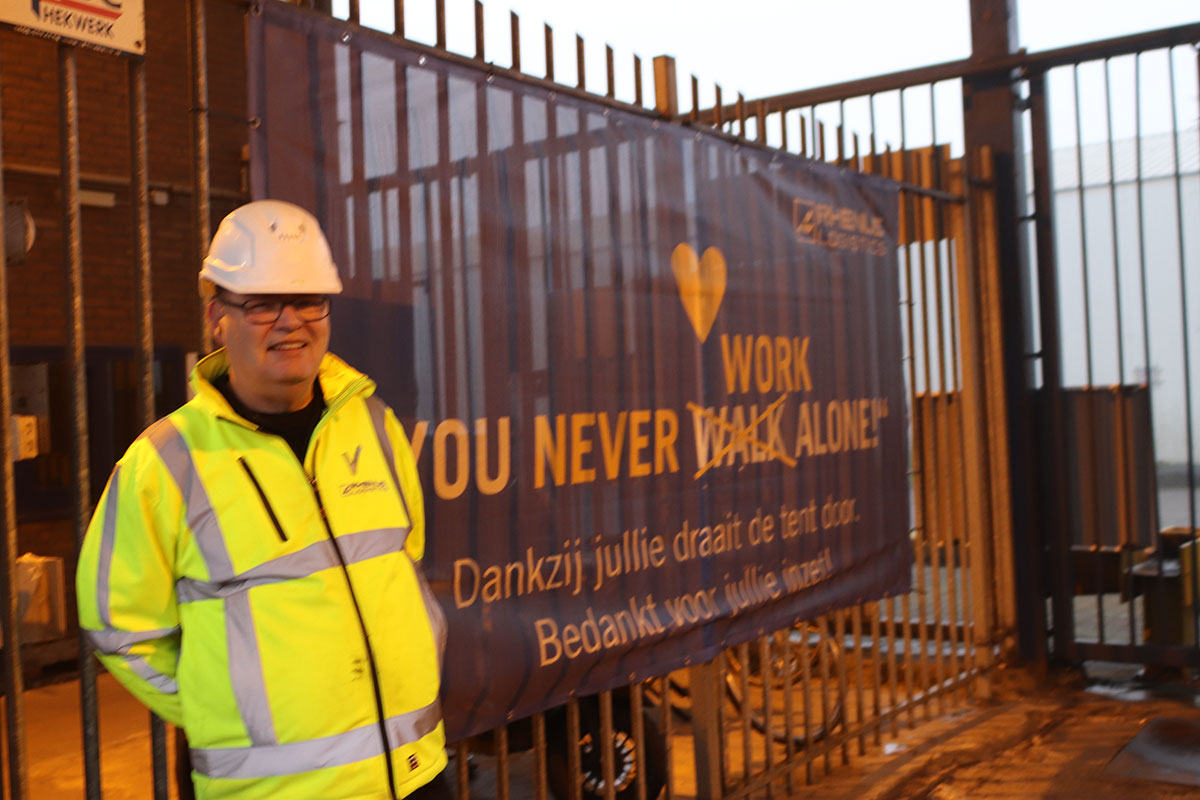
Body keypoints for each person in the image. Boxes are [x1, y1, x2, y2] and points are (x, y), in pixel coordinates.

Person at [76, 200, 452, 799]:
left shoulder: (375, 427)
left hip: (414, 773)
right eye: (261, 303)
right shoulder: (164, 462)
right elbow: (118, 622)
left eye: (307, 300)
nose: (289, 321)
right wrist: (221, 705)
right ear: (217, 318)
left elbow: (405, 562)